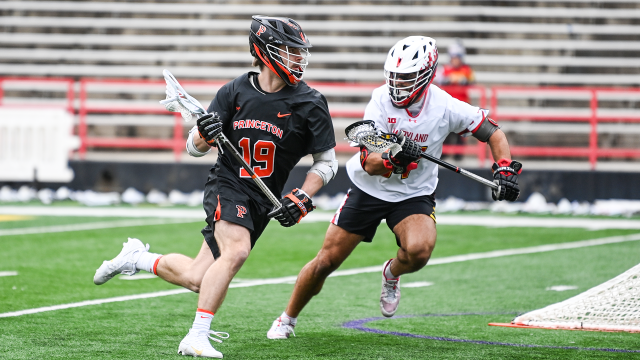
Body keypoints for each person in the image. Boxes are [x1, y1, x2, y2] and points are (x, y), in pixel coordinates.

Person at [93, 15, 338, 358]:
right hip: (228, 183)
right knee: (236, 251)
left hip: (262, 200)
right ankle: (196, 335)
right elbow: (194, 149)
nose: (298, 58)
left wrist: (303, 195)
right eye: (289, 50)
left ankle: (138, 258)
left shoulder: (311, 102)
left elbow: (326, 163)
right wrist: (204, 134)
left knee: (198, 277)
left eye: (299, 52)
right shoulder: (234, 91)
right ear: (265, 51)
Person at [266, 36, 521, 340]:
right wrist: (394, 155)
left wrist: (503, 167)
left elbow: (492, 131)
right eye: (395, 76)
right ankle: (287, 318)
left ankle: (391, 274)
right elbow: (369, 162)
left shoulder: (444, 105)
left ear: (426, 75)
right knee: (326, 261)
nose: (398, 84)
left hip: (413, 194)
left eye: (406, 77)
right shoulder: (380, 101)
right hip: (369, 190)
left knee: (419, 251)